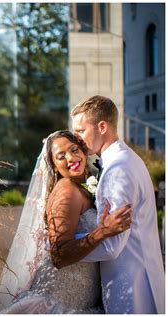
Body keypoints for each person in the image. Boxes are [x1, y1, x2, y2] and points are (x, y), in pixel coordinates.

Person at [0, 130, 132, 314]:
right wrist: (103, 231)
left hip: (82, 303)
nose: (71, 158)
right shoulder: (66, 191)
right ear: (54, 166)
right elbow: (59, 255)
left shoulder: (82, 187)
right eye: (61, 156)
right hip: (57, 302)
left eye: (74, 150)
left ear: (83, 151)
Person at [71, 95, 165, 314]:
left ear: (102, 126)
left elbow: (111, 247)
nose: (77, 139)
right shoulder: (127, 159)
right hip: (140, 277)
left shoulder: (118, 170)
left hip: (132, 289)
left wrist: (63, 245)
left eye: (81, 131)